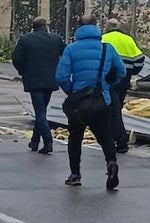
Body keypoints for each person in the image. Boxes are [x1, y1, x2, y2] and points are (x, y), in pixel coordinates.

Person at [55, 15, 125, 190]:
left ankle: (75, 174)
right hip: (102, 100)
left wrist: (72, 91)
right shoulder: (106, 49)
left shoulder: (71, 49)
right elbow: (121, 72)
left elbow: (61, 76)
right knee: (105, 136)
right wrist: (107, 85)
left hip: (79, 102)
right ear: (96, 26)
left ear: (78, 27)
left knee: (75, 138)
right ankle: (111, 163)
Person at [12, 17, 66, 154]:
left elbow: (16, 58)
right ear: (46, 26)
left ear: (33, 26)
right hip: (50, 79)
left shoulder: (26, 39)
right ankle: (35, 141)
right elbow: (65, 55)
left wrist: (22, 70)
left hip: (33, 79)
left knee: (40, 111)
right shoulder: (56, 39)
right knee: (41, 110)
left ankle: (48, 142)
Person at [102, 18, 145, 154]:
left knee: (111, 111)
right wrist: (132, 71)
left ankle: (120, 140)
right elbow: (139, 60)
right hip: (124, 79)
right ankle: (114, 138)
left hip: (108, 78)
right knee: (116, 108)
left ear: (107, 27)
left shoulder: (103, 39)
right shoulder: (128, 39)